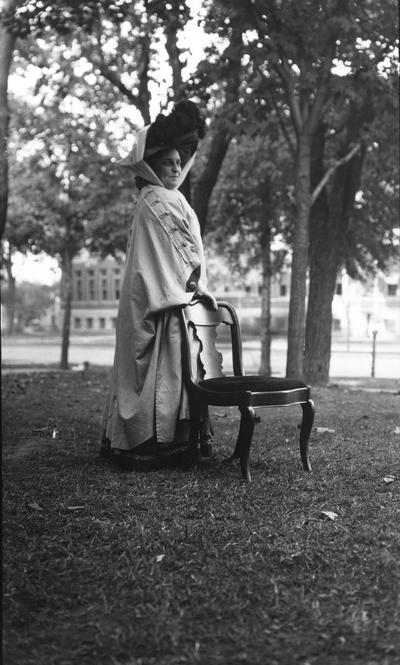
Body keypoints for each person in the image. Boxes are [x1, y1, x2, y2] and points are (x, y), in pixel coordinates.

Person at [100, 100, 217, 471]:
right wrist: (193, 284)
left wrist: (192, 281)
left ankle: (174, 441)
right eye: (168, 163)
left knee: (173, 373)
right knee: (156, 369)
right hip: (161, 297)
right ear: (151, 166)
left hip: (171, 295)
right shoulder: (155, 199)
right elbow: (178, 253)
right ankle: (151, 442)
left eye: (179, 163)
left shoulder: (169, 197)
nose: (176, 168)